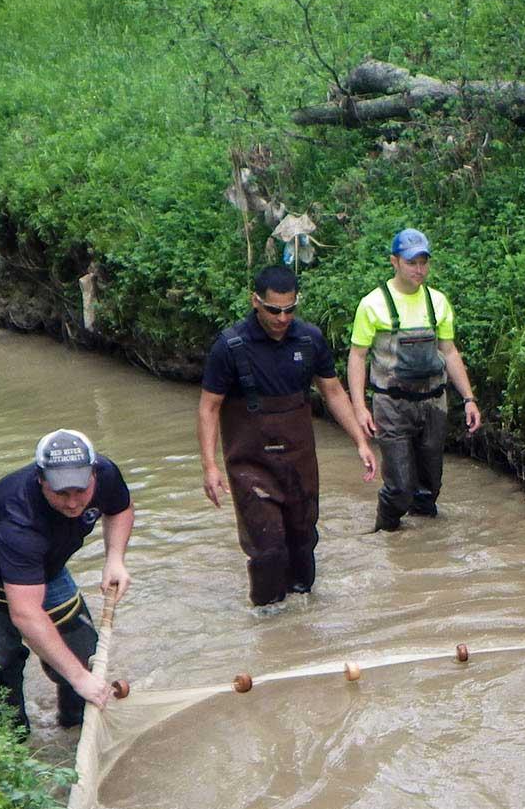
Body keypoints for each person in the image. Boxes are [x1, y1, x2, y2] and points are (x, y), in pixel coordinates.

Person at [200, 265, 378, 606]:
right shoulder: (229, 347)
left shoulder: (309, 339)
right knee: (268, 550)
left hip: (299, 463)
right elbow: (209, 408)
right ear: (255, 301)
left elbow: (333, 392)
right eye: (274, 310)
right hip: (250, 465)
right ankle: (266, 620)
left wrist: (360, 442)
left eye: (290, 309)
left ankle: (302, 621)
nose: (282, 318)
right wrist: (210, 466)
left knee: (302, 545)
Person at [0, 429, 133, 730]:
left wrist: (115, 558)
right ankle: (10, 743)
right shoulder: (18, 518)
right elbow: (26, 613)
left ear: (94, 474)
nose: (73, 503)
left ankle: (74, 730)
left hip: (44, 569)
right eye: (61, 493)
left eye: (80, 491)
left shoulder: (105, 473)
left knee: (84, 657)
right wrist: (79, 679)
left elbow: (120, 509)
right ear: (41, 479)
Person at [346, 228, 482, 532]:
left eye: (423, 262)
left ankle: (424, 543)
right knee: (400, 487)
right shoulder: (373, 304)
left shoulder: (438, 302)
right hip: (391, 405)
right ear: (394, 262)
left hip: (433, 403)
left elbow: (449, 351)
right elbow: (357, 356)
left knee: (430, 486)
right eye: (411, 263)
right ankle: (386, 531)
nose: (419, 270)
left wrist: (469, 399)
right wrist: (359, 407)